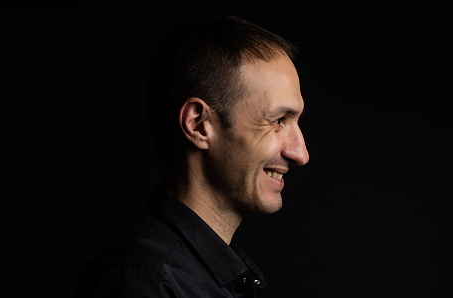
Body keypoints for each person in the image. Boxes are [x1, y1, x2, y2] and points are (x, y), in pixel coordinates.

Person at [74, 15, 309, 297]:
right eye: (278, 120)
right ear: (198, 124)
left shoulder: (210, 278)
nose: (300, 154)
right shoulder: (142, 282)